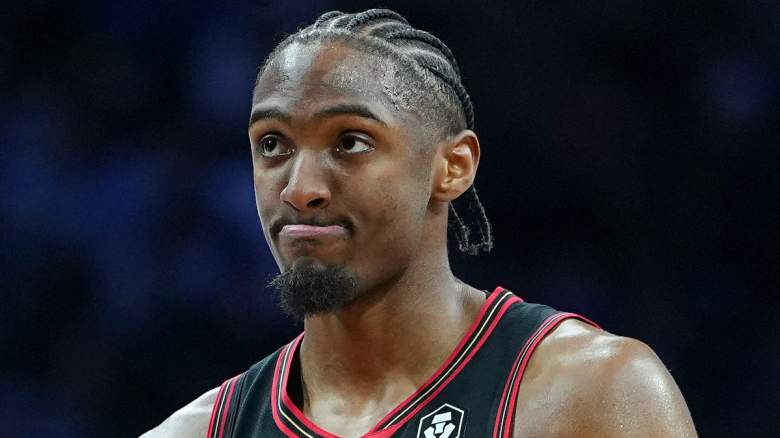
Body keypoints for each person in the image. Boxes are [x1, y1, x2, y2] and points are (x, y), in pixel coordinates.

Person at [142, 9, 697, 438]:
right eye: (272, 145)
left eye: (350, 141)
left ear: (453, 167)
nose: (300, 188)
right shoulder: (197, 431)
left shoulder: (592, 395)